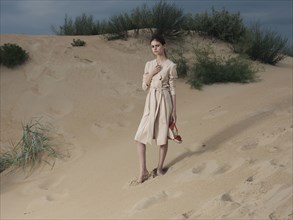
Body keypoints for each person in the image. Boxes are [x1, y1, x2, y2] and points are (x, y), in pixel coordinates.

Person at [134, 34, 178, 183]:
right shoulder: (148, 64)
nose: (155, 49)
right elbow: (144, 87)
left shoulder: (171, 65)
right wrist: (152, 72)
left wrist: (175, 111)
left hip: (165, 101)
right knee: (139, 137)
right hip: (151, 101)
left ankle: (159, 168)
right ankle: (143, 170)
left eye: (157, 46)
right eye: (152, 46)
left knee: (163, 138)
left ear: (164, 45)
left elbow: (172, 89)